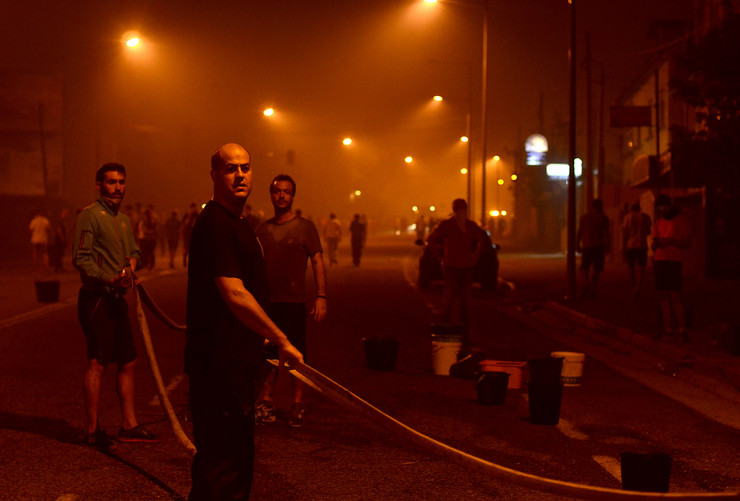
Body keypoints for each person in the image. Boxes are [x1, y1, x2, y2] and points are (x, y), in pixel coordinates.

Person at [185, 143, 303, 499]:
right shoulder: (215, 223)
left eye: (246, 168)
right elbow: (233, 292)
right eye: (230, 168)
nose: (240, 175)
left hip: (234, 363)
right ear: (214, 176)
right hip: (219, 367)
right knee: (224, 467)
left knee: (226, 464)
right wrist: (281, 338)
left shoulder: (239, 223)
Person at [73, 162, 159, 450]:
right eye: (111, 182)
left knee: (129, 361)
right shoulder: (89, 216)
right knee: (97, 364)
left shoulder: (123, 219)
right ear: (99, 185)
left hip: (117, 300)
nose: (118, 187)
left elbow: (134, 252)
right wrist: (109, 279)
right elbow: (81, 259)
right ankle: (92, 430)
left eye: (121, 182)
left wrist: (132, 265)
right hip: (96, 299)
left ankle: (129, 425)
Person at [255, 174, 327, 427]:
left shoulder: (305, 227)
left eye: (286, 191)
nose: (282, 195)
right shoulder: (263, 229)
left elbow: (317, 261)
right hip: (267, 304)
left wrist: (321, 296)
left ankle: (298, 403)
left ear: (293, 196)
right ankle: (267, 400)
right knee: (268, 354)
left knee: (296, 356)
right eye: (277, 191)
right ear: (271, 195)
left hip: (294, 302)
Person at [426, 198, 484, 341]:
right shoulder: (447, 225)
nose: (460, 214)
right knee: (448, 301)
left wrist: (475, 257)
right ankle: (445, 332)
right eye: (458, 211)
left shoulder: (471, 226)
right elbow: (431, 239)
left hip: (466, 267)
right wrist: (439, 257)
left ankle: (464, 334)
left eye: (463, 211)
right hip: (451, 267)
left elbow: (481, 240)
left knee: (465, 303)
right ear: (454, 211)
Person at [652, 194, 692, 342]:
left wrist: (672, 241)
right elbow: (654, 243)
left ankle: (682, 328)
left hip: (674, 260)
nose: (662, 210)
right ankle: (667, 328)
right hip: (660, 260)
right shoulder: (659, 222)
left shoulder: (680, 221)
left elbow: (688, 244)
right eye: (660, 207)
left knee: (675, 295)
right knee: (663, 295)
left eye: (664, 207)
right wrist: (658, 244)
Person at [576, 199, 611, 299]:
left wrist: (577, 244)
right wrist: (608, 246)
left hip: (587, 246)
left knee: (584, 268)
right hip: (598, 246)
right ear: (600, 206)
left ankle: (586, 284)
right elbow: (606, 233)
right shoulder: (603, 218)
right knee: (597, 269)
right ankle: (593, 290)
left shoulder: (584, 217)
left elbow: (580, 231)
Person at [622, 202, 652, 298]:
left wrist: (623, 246)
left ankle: (633, 286)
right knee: (641, 268)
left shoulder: (627, 217)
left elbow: (624, 233)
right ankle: (638, 287)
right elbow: (648, 231)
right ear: (639, 208)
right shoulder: (645, 217)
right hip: (642, 245)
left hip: (630, 245)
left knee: (631, 267)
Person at [181, 203, 199, 267]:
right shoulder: (187, 215)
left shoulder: (197, 215)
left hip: (195, 234)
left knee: (194, 249)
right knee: (186, 248)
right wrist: (189, 216)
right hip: (187, 234)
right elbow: (184, 223)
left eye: (194, 208)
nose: (193, 209)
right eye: (192, 208)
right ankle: (184, 260)